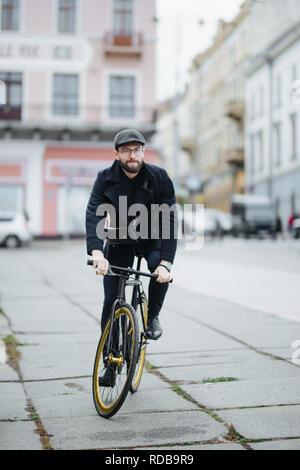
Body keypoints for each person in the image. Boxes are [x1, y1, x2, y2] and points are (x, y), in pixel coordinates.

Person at [86, 129, 177, 385]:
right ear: (117, 154)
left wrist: (166, 263)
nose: (132, 155)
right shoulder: (104, 178)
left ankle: (153, 316)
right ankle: (110, 365)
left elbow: (170, 219)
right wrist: (96, 253)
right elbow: (94, 211)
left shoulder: (159, 177)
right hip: (119, 242)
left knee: (159, 273)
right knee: (110, 301)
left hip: (152, 240)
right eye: (126, 150)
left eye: (137, 150)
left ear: (143, 152)